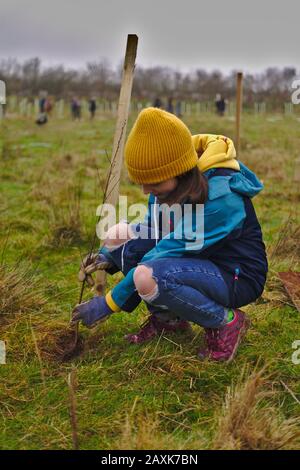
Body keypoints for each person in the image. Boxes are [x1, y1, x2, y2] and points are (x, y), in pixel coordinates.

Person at [72, 108, 268, 362]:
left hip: (234, 275)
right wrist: (107, 255)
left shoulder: (221, 197)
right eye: (142, 182)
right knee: (118, 235)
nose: (145, 191)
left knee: (148, 275)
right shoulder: (168, 178)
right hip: (195, 259)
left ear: (179, 170)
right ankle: (169, 321)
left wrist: (109, 303)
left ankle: (227, 321)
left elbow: (160, 254)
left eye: (153, 183)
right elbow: (153, 229)